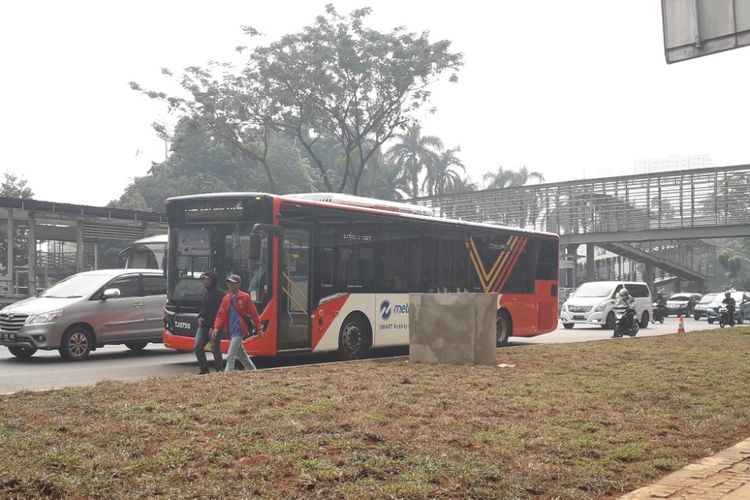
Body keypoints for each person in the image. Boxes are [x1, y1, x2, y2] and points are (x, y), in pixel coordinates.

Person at [214, 274, 263, 372]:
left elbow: (254, 313)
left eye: (232, 283)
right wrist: (216, 327)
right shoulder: (226, 298)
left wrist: (259, 328)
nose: (230, 285)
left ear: (238, 284)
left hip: (240, 329)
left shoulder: (245, 297)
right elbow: (220, 314)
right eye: (229, 283)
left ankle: (228, 375)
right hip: (230, 329)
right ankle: (253, 370)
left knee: (231, 355)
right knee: (241, 354)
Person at [194, 271, 225, 375]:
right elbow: (203, 309)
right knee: (198, 347)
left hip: (214, 327)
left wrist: (214, 327)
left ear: (213, 281)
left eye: (207, 280)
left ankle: (219, 370)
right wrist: (199, 317)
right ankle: (204, 369)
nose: (205, 282)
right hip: (203, 326)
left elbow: (220, 313)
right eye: (204, 280)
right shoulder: (206, 293)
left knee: (215, 349)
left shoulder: (220, 294)